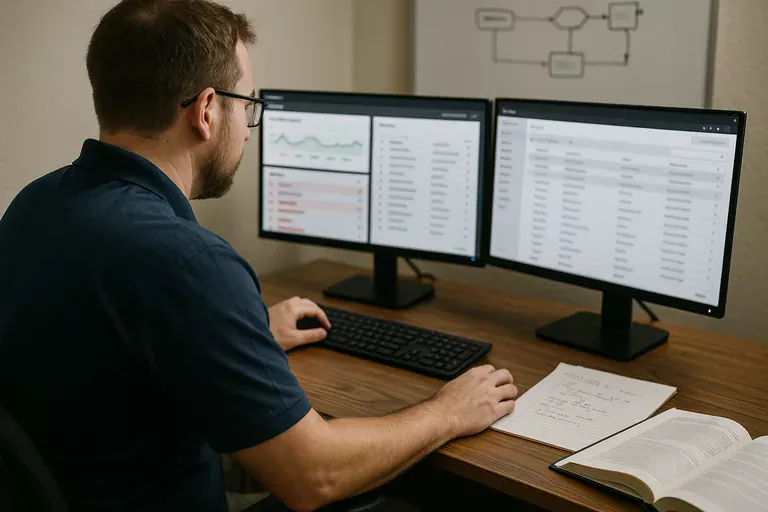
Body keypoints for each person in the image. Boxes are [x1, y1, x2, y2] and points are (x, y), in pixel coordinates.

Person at [0, 1, 518, 511]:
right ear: (206, 111)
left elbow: (102, 356)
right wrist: (448, 412)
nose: (249, 126)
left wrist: (245, 332)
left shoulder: (34, 204)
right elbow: (313, 476)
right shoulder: (190, 263)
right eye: (247, 105)